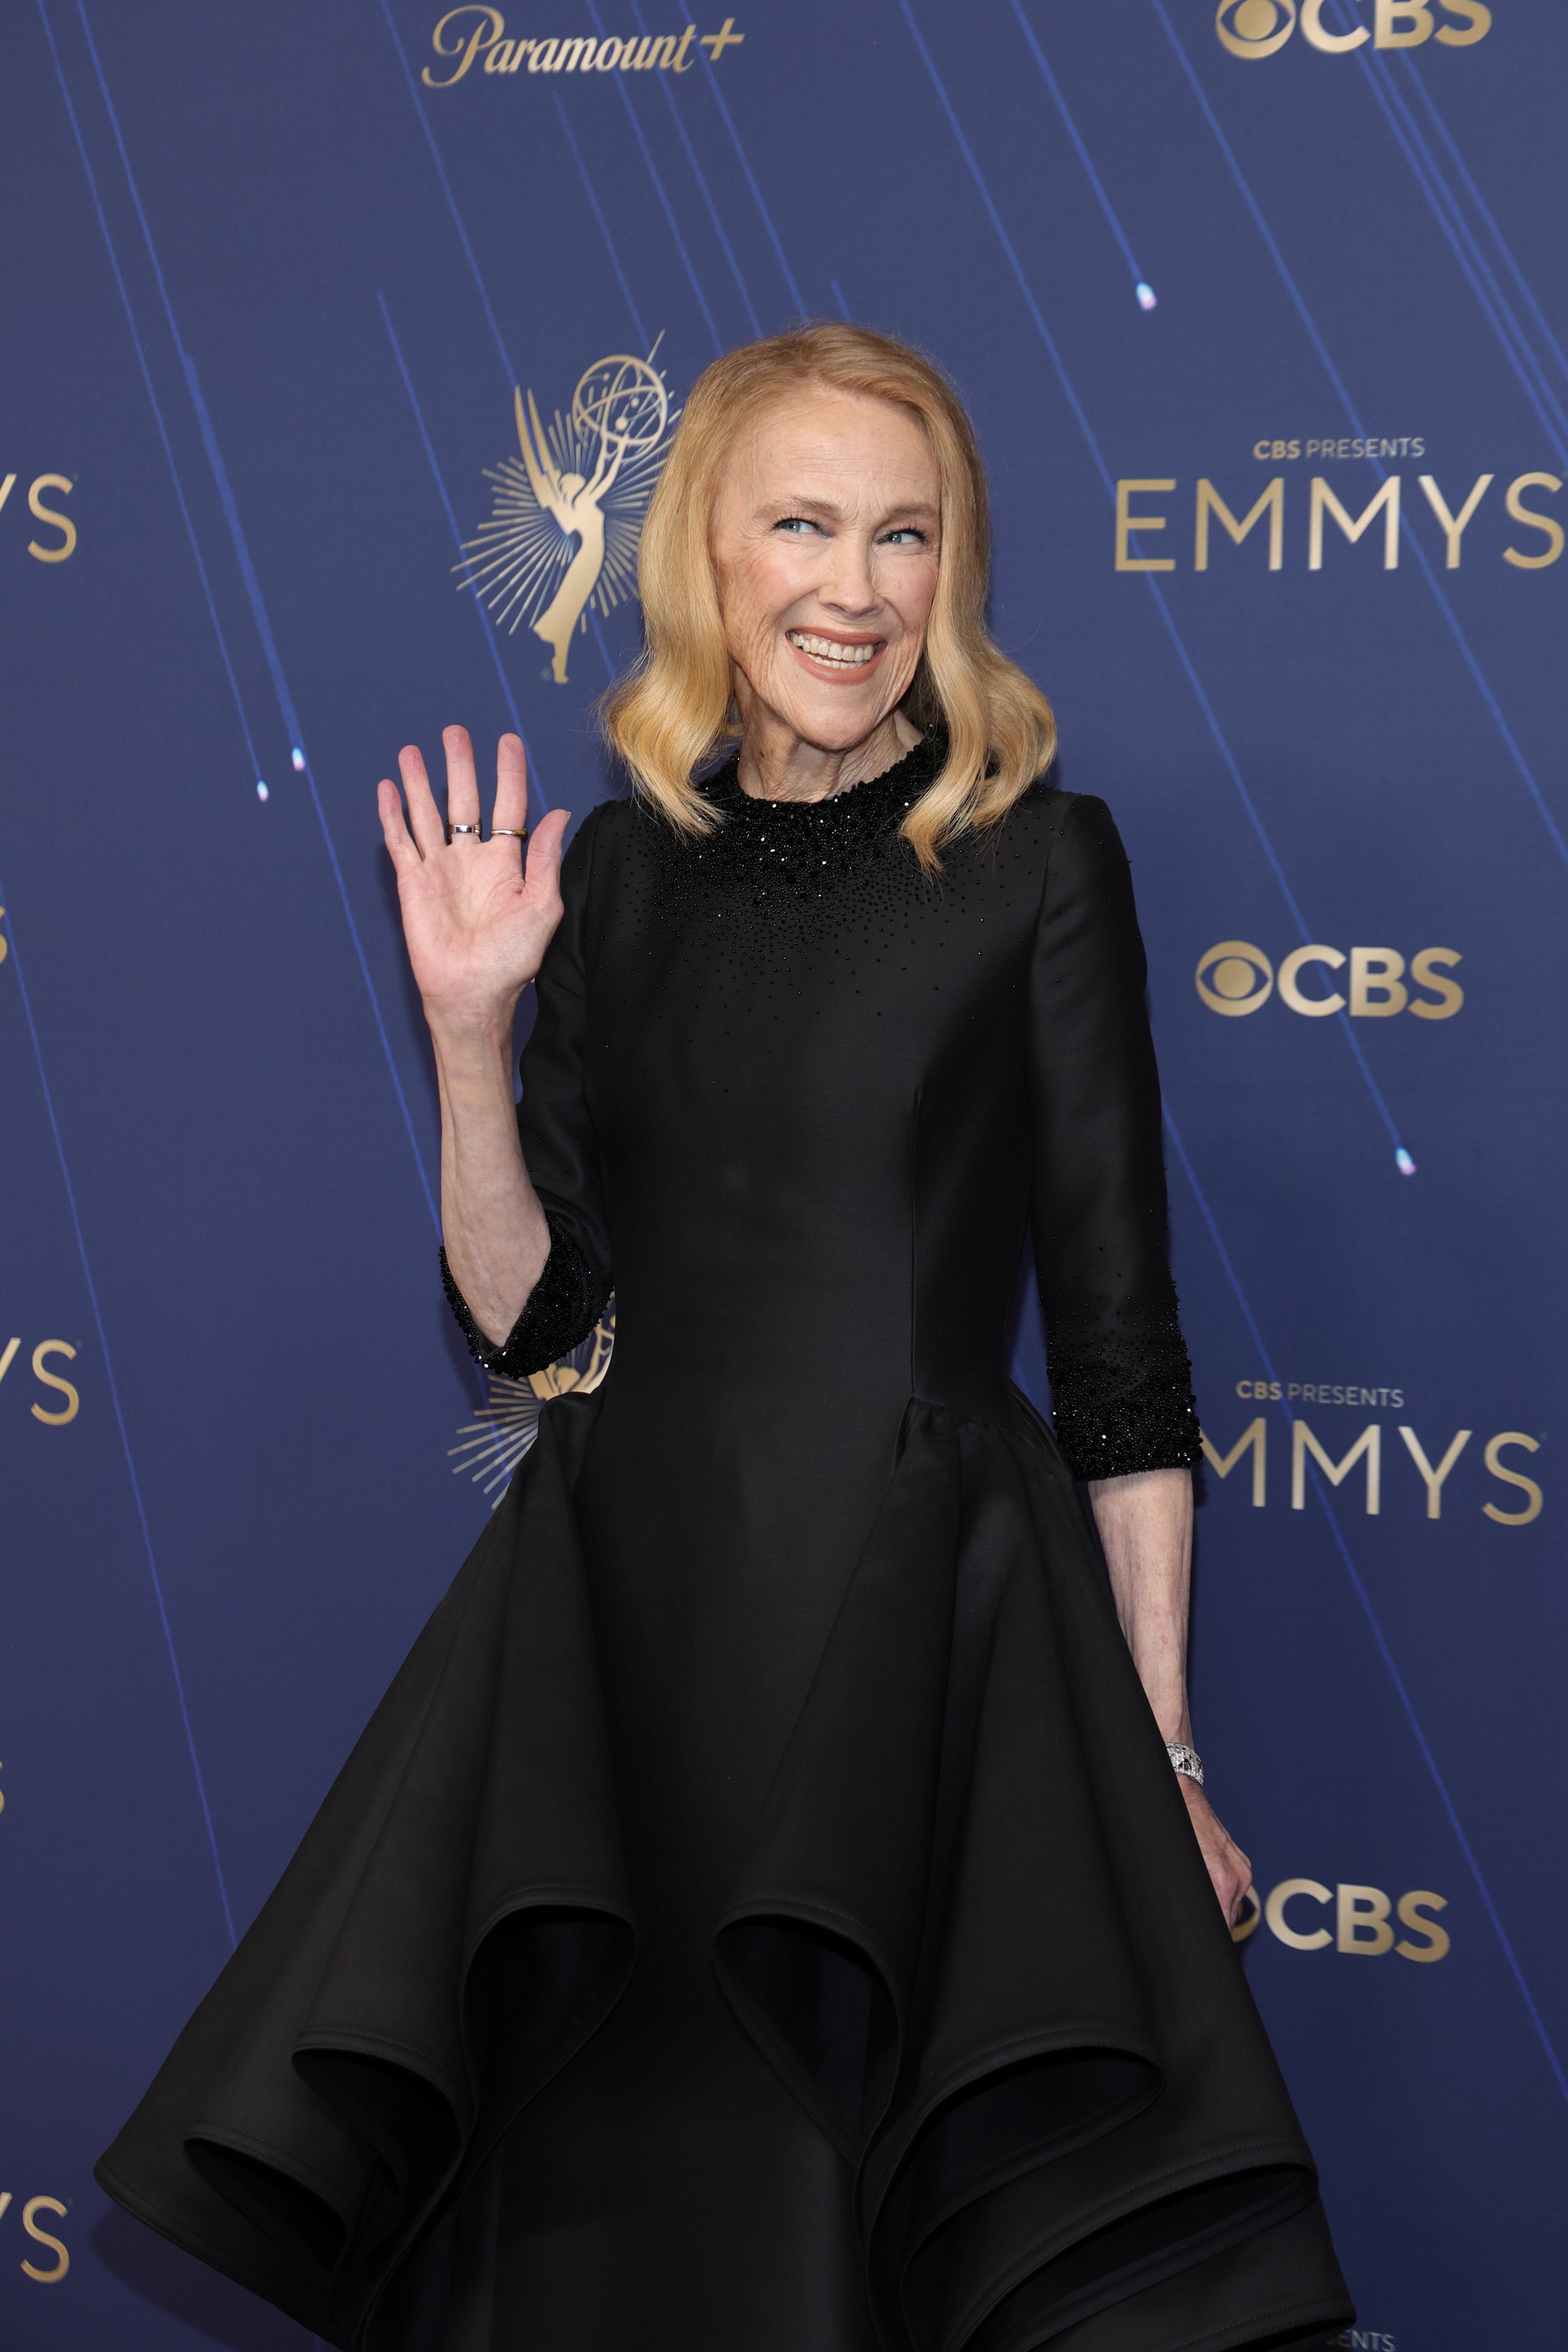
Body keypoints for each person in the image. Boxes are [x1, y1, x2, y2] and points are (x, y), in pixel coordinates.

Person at [98, 325, 1352, 2352]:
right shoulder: (609, 878)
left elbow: (1122, 1355)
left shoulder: (1038, 861)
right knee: (618, 2219)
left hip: (911, 1634)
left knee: (849, 2225)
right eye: (803, 525)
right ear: (708, 554)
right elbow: (539, 1326)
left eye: (904, 535)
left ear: (954, 573)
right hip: (624, 1651)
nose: (853, 589)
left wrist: (1162, 1746)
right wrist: (471, 1040)